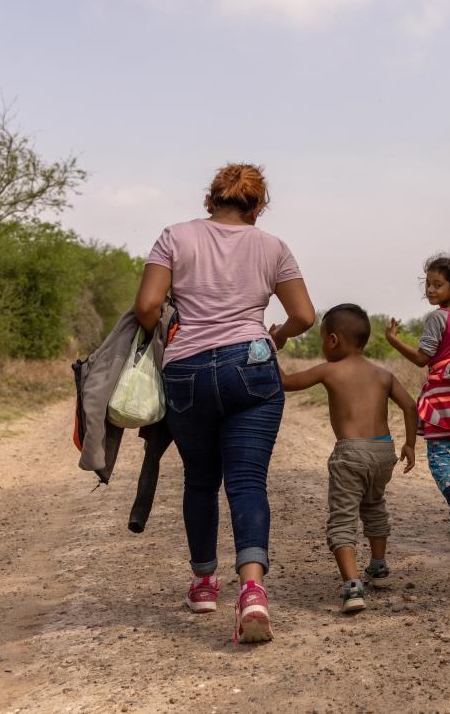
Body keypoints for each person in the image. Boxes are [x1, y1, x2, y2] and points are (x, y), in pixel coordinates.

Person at [134, 163, 316, 644]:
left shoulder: (174, 237)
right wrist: (276, 334)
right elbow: (304, 315)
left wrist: (172, 335)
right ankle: (253, 590)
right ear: (258, 207)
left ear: (210, 201)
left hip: (187, 368)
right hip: (252, 364)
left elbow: (147, 307)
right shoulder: (273, 246)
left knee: (200, 480)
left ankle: (204, 583)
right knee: (247, 481)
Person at [278, 304, 418, 614]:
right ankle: (378, 567)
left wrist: (272, 348)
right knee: (374, 505)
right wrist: (409, 444)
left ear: (333, 340)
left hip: (350, 453)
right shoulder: (383, 373)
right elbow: (410, 406)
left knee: (342, 516)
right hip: (384, 452)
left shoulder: (330, 370)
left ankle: (352, 586)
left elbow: (286, 382)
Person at [385, 255, 450, 549]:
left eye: (438, 285)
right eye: (428, 284)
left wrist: (394, 341)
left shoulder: (438, 318)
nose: (431, 290)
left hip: (441, 399)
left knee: (440, 460)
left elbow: (423, 358)